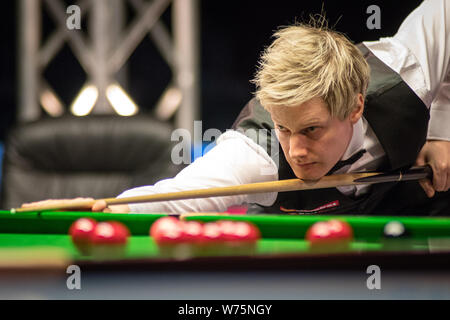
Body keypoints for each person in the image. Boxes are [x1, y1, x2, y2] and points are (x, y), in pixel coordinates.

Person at [23, 0, 450, 215]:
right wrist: (106, 210)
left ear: (355, 107)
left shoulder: (404, 73)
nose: (295, 150)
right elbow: (175, 199)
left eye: (311, 130)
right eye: (285, 128)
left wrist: (441, 129)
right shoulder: (255, 153)